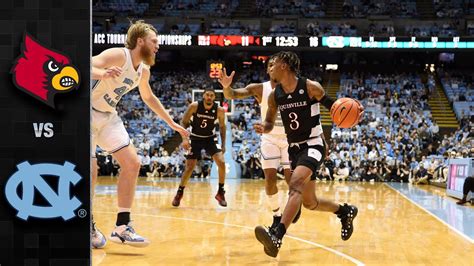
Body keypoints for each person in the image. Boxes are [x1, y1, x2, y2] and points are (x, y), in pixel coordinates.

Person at [252, 51, 362, 257]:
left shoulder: (311, 87)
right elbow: (269, 122)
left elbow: (336, 108)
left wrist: (354, 112)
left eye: (273, 64)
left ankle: (277, 235)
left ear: (284, 65)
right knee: (310, 202)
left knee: (294, 186)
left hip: (313, 144)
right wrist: (263, 128)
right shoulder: (275, 95)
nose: (270, 69)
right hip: (294, 148)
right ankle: (344, 211)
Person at [91, 20, 189, 248]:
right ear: (140, 41)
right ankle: (87, 223)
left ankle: (122, 227)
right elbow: (80, 65)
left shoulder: (142, 71)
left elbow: (148, 98)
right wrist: (102, 73)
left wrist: (172, 123)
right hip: (85, 110)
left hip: (107, 116)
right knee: (92, 170)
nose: (158, 46)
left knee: (133, 163)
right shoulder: (119, 55)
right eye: (154, 41)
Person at [218, 57, 295, 230]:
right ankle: (277, 216)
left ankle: (293, 203)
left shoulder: (295, 87)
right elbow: (232, 95)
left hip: (290, 139)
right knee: (270, 179)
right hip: (269, 138)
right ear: (268, 71)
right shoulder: (260, 88)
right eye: (269, 65)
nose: (272, 67)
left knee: (292, 181)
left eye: (275, 64)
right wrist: (226, 86)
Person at [171, 87, 228, 207]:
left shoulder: (219, 110)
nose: (209, 97)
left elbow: (222, 127)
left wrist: (223, 144)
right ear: (203, 96)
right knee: (190, 167)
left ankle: (220, 192)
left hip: (210, 138)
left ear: (214, 97)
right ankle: (179, 192)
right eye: (207, 95)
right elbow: (183, 122)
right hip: (195, 137)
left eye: (212, 95)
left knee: (221, 162)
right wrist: (184, 139)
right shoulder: (194, 106)